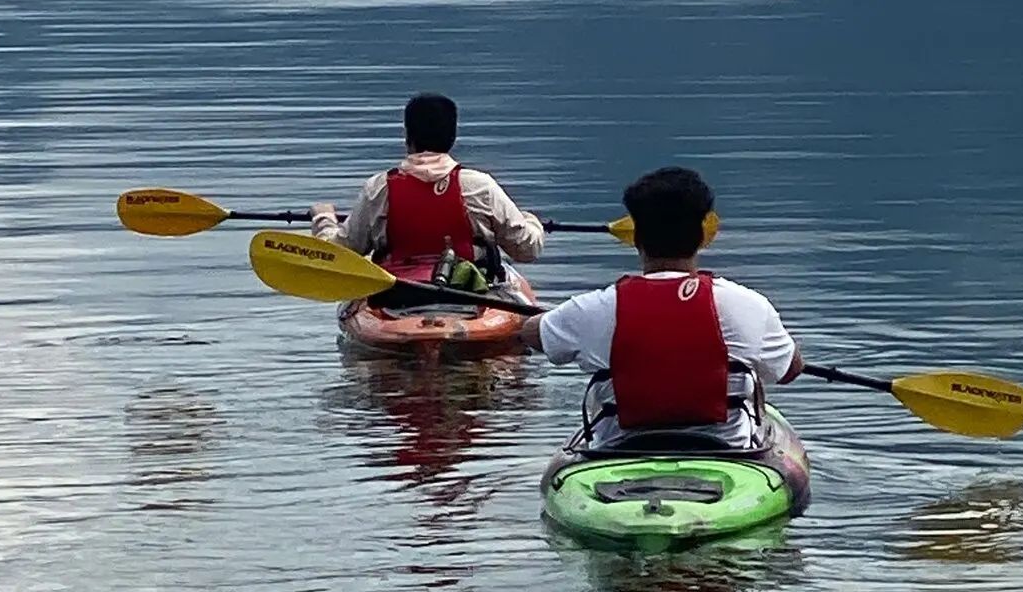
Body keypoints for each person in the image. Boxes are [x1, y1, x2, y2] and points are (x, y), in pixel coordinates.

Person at [521, 164, 801, 451]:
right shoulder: (750, 306)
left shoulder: (593, 308)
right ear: (705, 234)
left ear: (635, 237)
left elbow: (532, 334)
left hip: (618, 454)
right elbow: (791, 369)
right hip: (726, 454)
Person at [311, 93, 545, 289]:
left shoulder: (378, 188)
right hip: (469, 292)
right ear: (452, 138)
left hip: (399, 295)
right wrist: (531, 221)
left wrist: (324, 219)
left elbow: (337, 255)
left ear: (407, 137)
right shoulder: (480, 186)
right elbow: (526, 250)